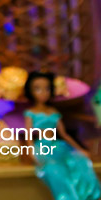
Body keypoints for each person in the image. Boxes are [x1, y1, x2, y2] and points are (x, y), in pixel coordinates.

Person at [23, 71, 100, 200]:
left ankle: (87, 195)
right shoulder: (31, 113)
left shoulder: (53, 112)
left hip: (58, 145)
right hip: (42, 147)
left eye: (47, 88)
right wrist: (31, 153)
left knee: (79, 161)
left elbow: (64, 134)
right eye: (37, 89)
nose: (43, 93)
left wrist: (80, 149)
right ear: (30, 91)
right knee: (54, 169)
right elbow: (29, 135)